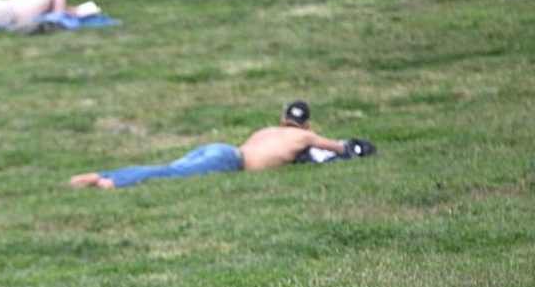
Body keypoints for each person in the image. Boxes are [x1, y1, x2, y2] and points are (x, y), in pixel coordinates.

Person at [71, 100, 374, 189]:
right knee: (168, 173)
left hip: (221, 148)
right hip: (229, 161)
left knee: (171, 167)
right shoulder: (305, 136)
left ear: (283, 119)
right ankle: (109, 181)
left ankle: (106, 174)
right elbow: (338, 147)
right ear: (306, 124)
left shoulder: (268, 130)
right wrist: (354, 149)